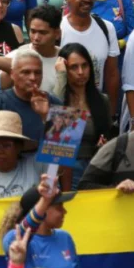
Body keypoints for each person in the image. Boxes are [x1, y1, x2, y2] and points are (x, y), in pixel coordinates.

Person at [0, 46, 61, 173]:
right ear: (12, 74)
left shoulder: (58, 105)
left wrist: (46, 117)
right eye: (26, 72)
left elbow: (64, 160)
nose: (33, 78)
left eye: (37, 72)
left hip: (44, 183)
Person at [53, 42, 116, 186]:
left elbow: (109, 135)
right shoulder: (58, 96)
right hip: (64, 171)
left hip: (94, 169)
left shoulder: (102, 100)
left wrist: (103, 145)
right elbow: (55, 128)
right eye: (73, 67)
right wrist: (61, 75)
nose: (81, 72)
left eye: (85, 65)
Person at [61, 0, 119, 110]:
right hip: (65, 107)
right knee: (67, 133)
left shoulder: (107, 28)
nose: (87, 0)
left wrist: (111, 111)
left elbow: (112, 73)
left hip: (96, 105)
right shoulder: (58, 29)